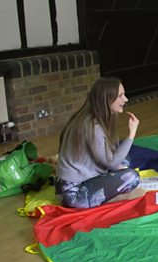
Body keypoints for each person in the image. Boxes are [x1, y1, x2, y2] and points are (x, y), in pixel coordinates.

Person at [56, 77, 143, 208]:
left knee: (125, 160)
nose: (125, 99)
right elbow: (112, 163)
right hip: (73, 194)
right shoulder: (93, 126)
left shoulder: (87, 119)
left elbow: (111, 158)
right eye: (120, 96)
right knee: (131, 176)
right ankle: (109, 198)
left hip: (70, 184)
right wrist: (132, 133)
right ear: (106, 99)